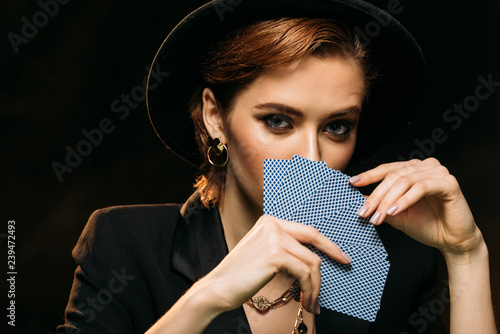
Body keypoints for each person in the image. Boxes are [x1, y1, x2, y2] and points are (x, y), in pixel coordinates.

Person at [58, 0, 496, 333]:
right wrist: (207, 298)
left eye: (337, 127)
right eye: (278, 121)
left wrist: (468, 255)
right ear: (215, 117)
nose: (312, 157)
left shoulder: (397, 267)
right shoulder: (124, 248)